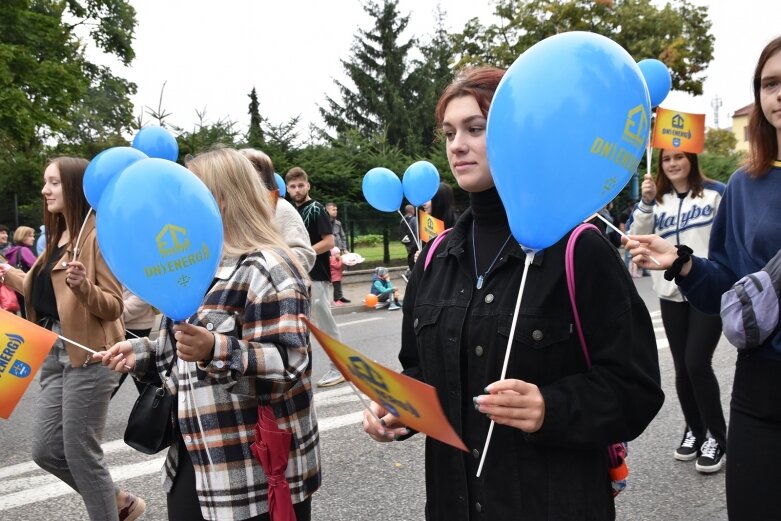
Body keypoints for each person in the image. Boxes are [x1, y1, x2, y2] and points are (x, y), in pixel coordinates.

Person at [362, 67, 664, 520]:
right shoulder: (434, 258)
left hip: (552, 504)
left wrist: (551, 407)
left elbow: (636, 388)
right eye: (449, 132)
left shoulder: (577, 249)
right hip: (453, 503)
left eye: (475, 129)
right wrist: (399, 408)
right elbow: (422, 371)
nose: (457, 145)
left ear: (518, 132)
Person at [97, 148, 320, 521]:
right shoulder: (193, 263)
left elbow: (290, 366)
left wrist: (215, 348)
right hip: (193, 456)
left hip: (252, 473)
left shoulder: (269, 269)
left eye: (184, 193)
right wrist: (146, 352)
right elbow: (185, 343)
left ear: (219, 200)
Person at [626, 36, 781, 520]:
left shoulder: (713, 191)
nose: (780, 94)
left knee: (695, 365)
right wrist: (683, 263)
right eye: (771, 84)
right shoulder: (746, 184)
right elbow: (730, 287)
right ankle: (703, 432)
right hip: (763, 386)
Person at [0, 157, 145, 521]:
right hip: (51, 349)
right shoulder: (57, 235)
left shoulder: (98, 235)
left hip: (91, 354)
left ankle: (109, 512)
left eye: (54, 183)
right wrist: (10, 276)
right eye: (44, 182)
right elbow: (48, 295)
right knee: (46, 450)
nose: (45, 190)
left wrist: (84, 288)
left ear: (76, 188)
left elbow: (113, 306)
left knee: (80, 451)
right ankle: (119, 502)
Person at [628, 151, 727, 473]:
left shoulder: (716, 193)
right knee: (682, 368)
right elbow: (633, 236)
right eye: (667, 158)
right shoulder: (657, 200)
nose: (672, 163)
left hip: (708, 287)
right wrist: (645, 202)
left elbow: (728, 238)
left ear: (693, 159)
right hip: (670, 293)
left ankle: (717, 436)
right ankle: (695, 430)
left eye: (679, 157)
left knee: (697, 363)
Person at [286, 166, 345, 387]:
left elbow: (329, 242)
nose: (297, 190)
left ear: (308, 185)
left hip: (316, 275)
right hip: (298, 276)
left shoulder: (316, 209)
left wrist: (301, 255)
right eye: (293, 186)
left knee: (324, 324)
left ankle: (338, 368)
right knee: (300, 326)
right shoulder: (291, 210)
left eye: (301, 185)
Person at [239, 148, 316, 272]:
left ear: (261, 174)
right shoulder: (236, 210)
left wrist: (263, 269)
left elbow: (305, 255)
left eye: (243, 168)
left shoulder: (281, 208)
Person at [4, 226, 38, 317]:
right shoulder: (24, 250)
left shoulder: (12, 251)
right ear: (23, 236)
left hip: (16, 289)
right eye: (30, 236)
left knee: (24, 314)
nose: (33, 238)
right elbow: (36, 267)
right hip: (27, 286)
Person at [326, 202, 350, 303]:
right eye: (333, 209)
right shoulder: (323, 222)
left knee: (337, 275)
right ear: (327, 210)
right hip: (327, 252)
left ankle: (338, 296)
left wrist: (344, 249)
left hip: (337, 251)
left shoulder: (338, 223)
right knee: (326, 277)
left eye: (336, 210)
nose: (335, 211)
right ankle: (325, 299)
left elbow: (343, 236)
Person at [399, 204, 419, 272]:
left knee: (409, 256)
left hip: (406, 241)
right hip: (413, 243)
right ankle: (413, 270)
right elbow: (416, 232)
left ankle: (410, 268)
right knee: (415, 257)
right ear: (412, 210)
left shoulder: (402, 219)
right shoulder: (414, 219)